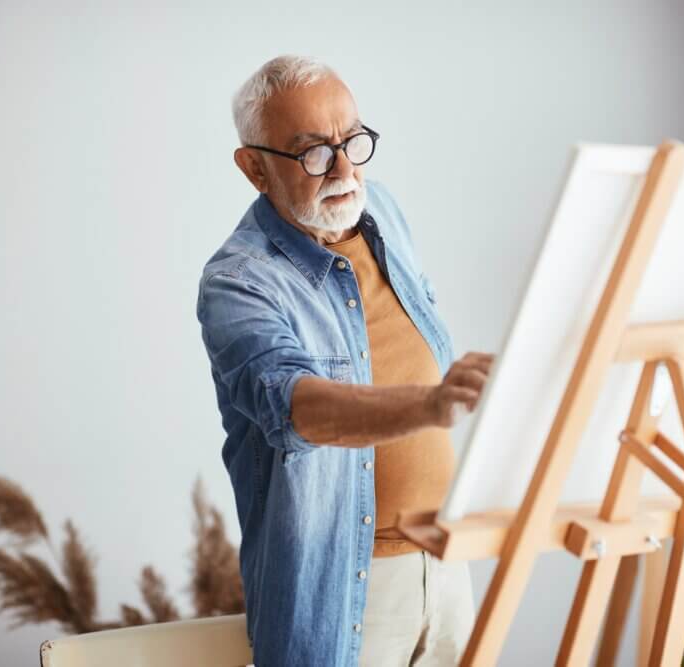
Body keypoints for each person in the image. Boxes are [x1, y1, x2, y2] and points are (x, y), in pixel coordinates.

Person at [195, 54, 494, 666]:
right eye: (312, 152)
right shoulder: (239, 281)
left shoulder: (382, 212)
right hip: (344, 595)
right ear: (254, 168)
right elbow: (295, 406)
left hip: (445, 565)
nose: (342, 167)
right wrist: (430, 405)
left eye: (352, 141)